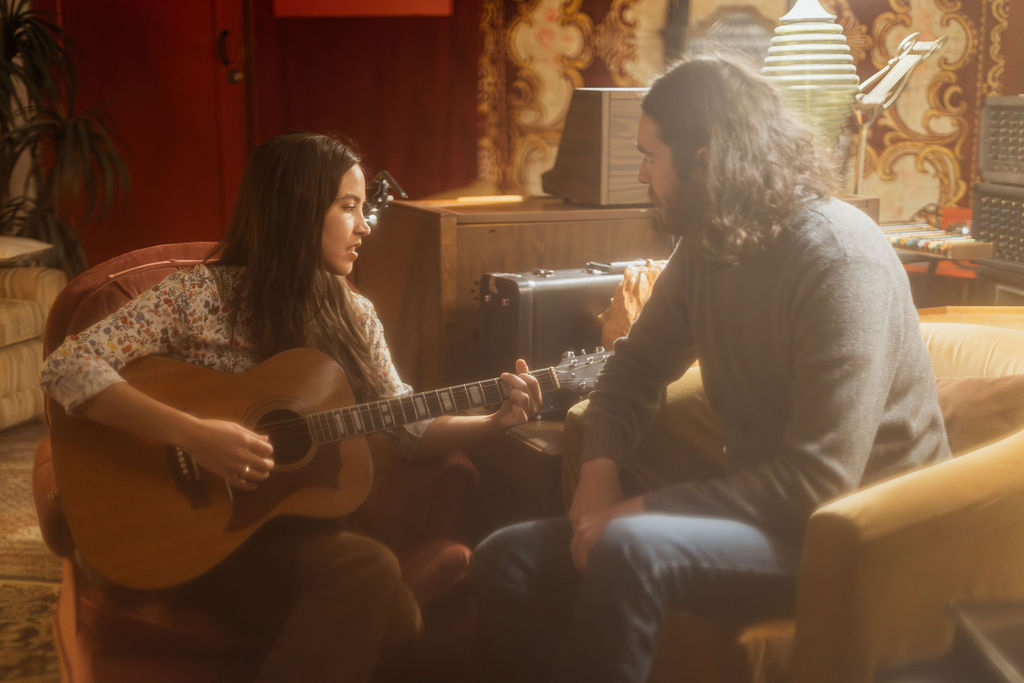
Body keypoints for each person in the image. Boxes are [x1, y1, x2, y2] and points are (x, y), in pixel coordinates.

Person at [471, 53, 951, 683]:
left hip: (860, 537)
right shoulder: (711, 245)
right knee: (503, 556)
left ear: (703, 158)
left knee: (629, 549)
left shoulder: (840, 262)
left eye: (650, 155)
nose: (641, 173)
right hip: (770, 521)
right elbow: (634, 368)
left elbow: (819, 482)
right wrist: (598, 472)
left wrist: (637, 513)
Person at [40, 132, 543, 682]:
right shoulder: (195, 297)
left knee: (401, 620)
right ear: (297, 210)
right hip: (196, 531)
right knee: (373, 575)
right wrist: (194, 435)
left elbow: (408, 426)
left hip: (295, 536)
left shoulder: (356, 316)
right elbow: (67, 367)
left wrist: (493, 422)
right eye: (348, 208)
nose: (366, 226)